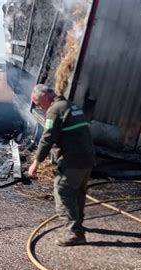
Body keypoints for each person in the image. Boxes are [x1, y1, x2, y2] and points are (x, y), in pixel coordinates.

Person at [28, 84, 95, 246]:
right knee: (78, 192)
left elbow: (47, 139)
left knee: (62, 191)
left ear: (45, 97)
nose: (39, 106)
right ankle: (77, 223)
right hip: (87, 159)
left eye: (38, 103)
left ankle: (74, 233)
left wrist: (36, 163)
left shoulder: (55, 110)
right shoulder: (71, 105)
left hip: (73, 160)